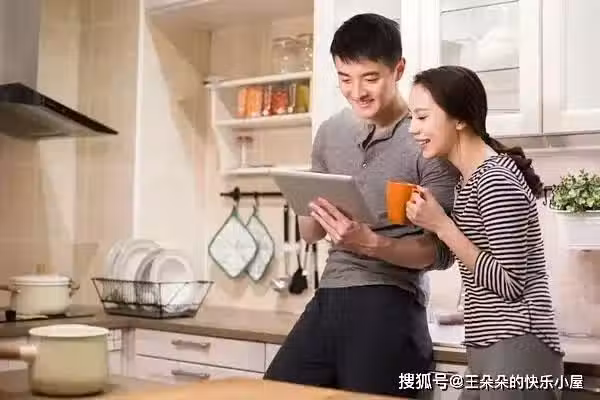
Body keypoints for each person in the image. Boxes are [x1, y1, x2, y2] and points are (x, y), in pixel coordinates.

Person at [263, 13, 459, 398]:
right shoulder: (330, 132)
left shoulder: (425, 138)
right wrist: (308, 203)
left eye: (370, 78)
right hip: (329, 295)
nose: (357, 92)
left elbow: (440, 253)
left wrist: (370, 243)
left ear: (398, 69)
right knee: (272, 393)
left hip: (389, 300)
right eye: (345, 78)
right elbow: (310, 233)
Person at [405, 65, 564, 400]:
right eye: (411, 118)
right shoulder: (468, 180)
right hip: (491, 344)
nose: (412, 128)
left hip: (517, 344)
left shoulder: (495, 179)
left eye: (422, 117)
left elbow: (511, 283)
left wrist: (442, 225)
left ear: (459, 119)